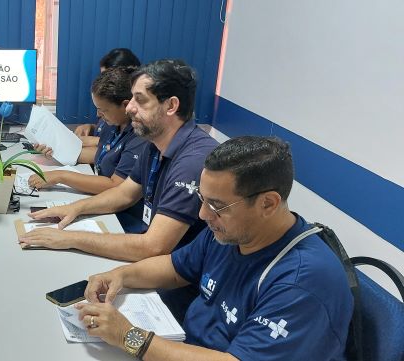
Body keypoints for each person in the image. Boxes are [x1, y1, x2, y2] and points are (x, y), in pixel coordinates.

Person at [75, 136, 353, 361]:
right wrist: (120, 275)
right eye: (202, 199)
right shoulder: (230, 232)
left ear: (268, 203)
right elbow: (174, 268)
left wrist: (129, 337)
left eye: (217, 206)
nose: (202, 214)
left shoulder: (301, 282)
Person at [21, 59, 218, 260]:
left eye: (140, 100)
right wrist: (75, 208)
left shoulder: (193, 162)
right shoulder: (154, 144)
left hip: (175, 277)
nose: (130, 107)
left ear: (171, 106)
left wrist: (70, 238)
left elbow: (153, 247)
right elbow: (124, 194)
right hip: (150, 255)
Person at [27, 67, 147, 232]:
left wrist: (61, 176)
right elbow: (101, 156)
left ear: (126, 105)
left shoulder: (139, 137)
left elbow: (115, 186)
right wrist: (54, 151)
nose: (98, 115)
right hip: (98, 202)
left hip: (122, 219)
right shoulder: (111, 124)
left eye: (103, 109)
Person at [73, 48, 142, 144]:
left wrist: (98, 142)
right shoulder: (109, 106)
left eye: (110, 77)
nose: (104, 81)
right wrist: (91, 128)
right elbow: (104, 129)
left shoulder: (133, 117)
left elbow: (118, 150)